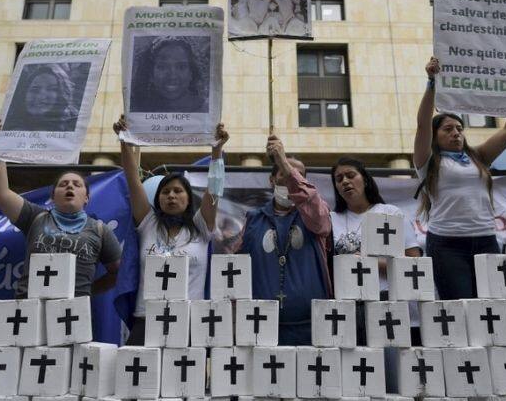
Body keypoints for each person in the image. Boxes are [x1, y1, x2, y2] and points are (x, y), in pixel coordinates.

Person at [413, 57, 506, 300]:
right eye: (448, 129)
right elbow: (421, 125)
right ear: (435, 135)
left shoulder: (479, 156)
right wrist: (432, 82)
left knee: (492, 308)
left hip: (485, 241)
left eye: (460, 129)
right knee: (462, 308)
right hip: (446, 245)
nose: (456, 133)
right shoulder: (428, 161)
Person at [114, 116, 228, 345]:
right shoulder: (148, 223)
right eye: (165, 192)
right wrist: (124, 140)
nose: (172, 196)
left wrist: (217, 151)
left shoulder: (201, 227)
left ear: (189, 199)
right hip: (146, 319)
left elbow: (214, 188)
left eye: (178, 191)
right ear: (158, 199)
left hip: (189, 322)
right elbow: (132, 179)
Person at [0, 117, 121, 298]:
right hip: (28, 306)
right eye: (63, 184)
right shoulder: (35, 217)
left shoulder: (100, 230)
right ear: (52, 196)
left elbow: (118, 272)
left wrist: (87, 292)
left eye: (77, 184)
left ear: (86, 198)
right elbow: (1, 192)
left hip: (72, 313)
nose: (70, 187)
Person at [235, 135, 332, 346]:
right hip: (260, 328)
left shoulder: (316, 216)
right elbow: (236, 267)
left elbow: (316, 211)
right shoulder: (253, 220)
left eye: (298, 176)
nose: (291, 180)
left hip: (312, 327)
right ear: (271, 180)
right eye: (284, 173)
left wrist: (284, 163)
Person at [330, 157, 422, 341]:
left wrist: (370, 263)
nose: (345, 181)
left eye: (350, 175)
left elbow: (415, 263)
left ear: (364, 179)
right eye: (339, 179)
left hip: (388, 300)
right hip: (350, 305)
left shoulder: (390, 213)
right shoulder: (331, 219)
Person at [130, 37, 208, 114]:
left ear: (192, 73)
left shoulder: (206, 109)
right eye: (162, 67)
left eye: (181, 67)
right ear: (151, 74)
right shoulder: (137, 109)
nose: (172, 76)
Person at [4, 63, 82, 132]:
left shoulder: (74, 127)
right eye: (35, 89)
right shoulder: (8, 126)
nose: (41, 97)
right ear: (24, 94)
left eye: (52, 89)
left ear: (61, 96)